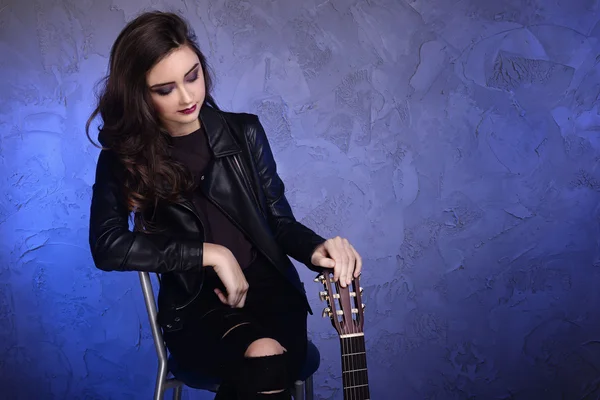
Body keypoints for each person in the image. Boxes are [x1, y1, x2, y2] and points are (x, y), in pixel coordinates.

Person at [86, 10, 363, 400]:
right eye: (164, 89)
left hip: (271, 296)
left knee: (269, 360)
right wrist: (212, 254)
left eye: (193, 76)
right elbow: (108, 246)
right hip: (195, 306)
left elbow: (280, 223)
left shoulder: (244, 132)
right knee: (265, 363)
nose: (187, 97)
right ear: (138, 94)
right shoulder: (123, 157)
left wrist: (319, 249)